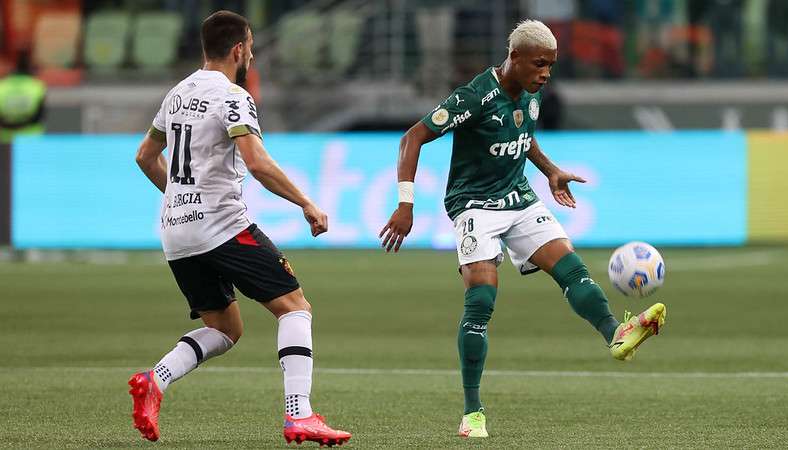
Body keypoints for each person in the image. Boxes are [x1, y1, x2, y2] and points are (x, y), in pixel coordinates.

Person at [379, 19, 666, 438]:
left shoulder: (531, 92)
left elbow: (522, 134)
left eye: (550, 65)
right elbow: (412, 137)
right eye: (539, 65)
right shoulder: (474, 97)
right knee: (481, 303)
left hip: (518, 197)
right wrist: (406, 203)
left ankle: (616, 334)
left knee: (570, 266)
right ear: (514, 57)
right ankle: (472, 411)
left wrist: (550, 171)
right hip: (474, 204)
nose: (545, 74)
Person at [130, 10, 350, 446]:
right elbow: (256, 161)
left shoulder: (176, 94)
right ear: (239, 49)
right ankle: (299, 414)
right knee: (294, 306)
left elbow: (144, 156)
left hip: (176, 231)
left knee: (225, 328)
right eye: (250, 46)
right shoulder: (233, 96)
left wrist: (178, 199)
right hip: (221, 224)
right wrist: (306, 202)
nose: (251, 53)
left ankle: (156, 379)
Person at [0, 51, 46, 144]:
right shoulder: (37, 86)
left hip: (6, 139)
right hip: (31, 138)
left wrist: (9, 126)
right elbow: (40, 115)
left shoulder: (2, 86)